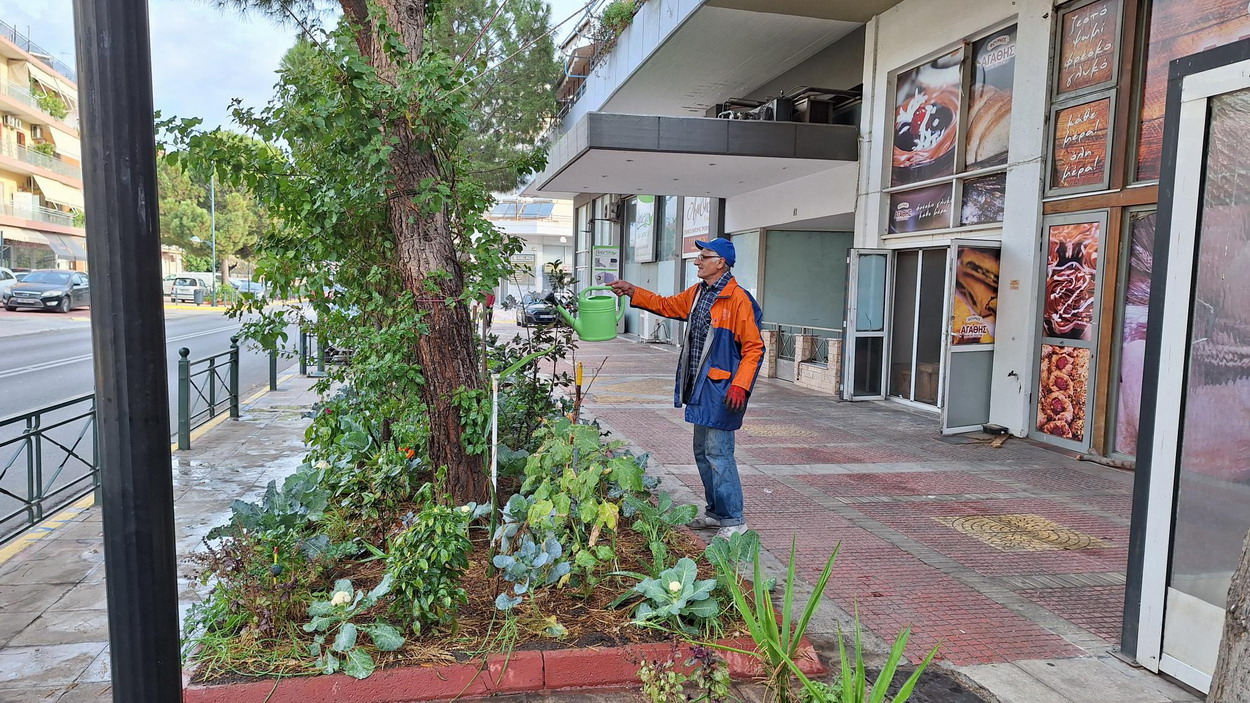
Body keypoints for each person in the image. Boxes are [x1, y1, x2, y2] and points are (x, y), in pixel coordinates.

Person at [608, 239, 764, 539]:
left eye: (704, 257)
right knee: (703, 453)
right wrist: (632, 291)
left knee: (719, 454)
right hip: (701, 387)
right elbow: (667, 305)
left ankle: (734, 521)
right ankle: (716, 513)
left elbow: (754, 348)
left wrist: (741, 385)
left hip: (723, 390)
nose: (697, 261)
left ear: (721, 262)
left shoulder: (738, 299)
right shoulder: (698, 293)